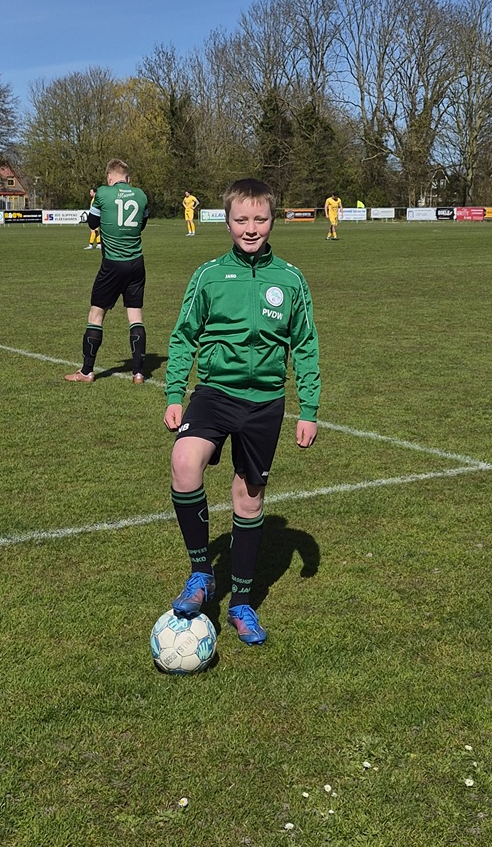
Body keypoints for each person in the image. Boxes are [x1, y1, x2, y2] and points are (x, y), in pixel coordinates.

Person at [163, 178, 320, 645]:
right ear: (227, 221)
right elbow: (183, 335)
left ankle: (242, 604)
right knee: (184, 461)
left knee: (248, 499)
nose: (251, 228)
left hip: (265, 402)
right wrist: (174, 393)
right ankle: (201, 574)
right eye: (241, 219)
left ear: (273, 220)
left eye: (260, 219)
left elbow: (305, 345)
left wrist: (308, 408)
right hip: (214, 393)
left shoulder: (290, 279)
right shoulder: (209, 275)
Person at [65, 159, 149, 384]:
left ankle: (86, 371)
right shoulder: (141, 195)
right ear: (127, 178)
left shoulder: (103, 192)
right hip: (136, 263)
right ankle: (138, 373)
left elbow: (92, 223)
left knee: (96, 315)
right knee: (135, 316)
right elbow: (142, 224)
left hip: (112, 264)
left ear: (110, 178)